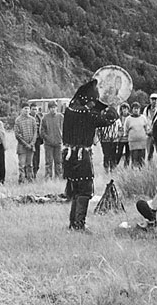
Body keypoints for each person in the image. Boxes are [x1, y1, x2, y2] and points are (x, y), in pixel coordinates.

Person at [62, 79, 118, 231]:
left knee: (75, 189)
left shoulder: (70, 110)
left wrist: (98, 106)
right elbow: (109, 119)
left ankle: (73, 223)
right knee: (85, 190)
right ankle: (79, 225)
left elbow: (93, 113)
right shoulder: (87, 114)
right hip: (82, 155)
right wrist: (112, 105)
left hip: (68, 155)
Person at [15, 103, 38, 183]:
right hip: (22, 147)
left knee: (30, 164)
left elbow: (35, 132)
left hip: (31, 147)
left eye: (28, 109)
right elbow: (17, 135)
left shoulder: (32, 120)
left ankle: (30, 180)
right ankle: (21, 180)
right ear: (21, 109)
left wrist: (32, 143)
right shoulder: (18, 120)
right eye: (25, 108)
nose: (27, 110)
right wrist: (26, 144)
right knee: (21, 165)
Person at [40, 102, 64, 177]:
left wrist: (62, 138)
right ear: (49, 109)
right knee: (49, 162)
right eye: (51, 108)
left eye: (54, 107)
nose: (53, 109)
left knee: (59, 161)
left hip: (58, 143)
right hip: (48, 144)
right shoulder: (45, 117)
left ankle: (58, 176)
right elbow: (42, 131)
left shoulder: (61, 117)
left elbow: (65, 128)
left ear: (57, 108)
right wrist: (47, 138)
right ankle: (48, 176)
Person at [125, 102, 149, 168]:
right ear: (132, 109)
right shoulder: (128, 119)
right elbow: (126, 131)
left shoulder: (143, 118)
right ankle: (134, 173)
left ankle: (142, 173)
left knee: (142, 160)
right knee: (134, 159)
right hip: (133, 143)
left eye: (137, 108)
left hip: (142, 142)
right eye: (135, 108)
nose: (136, 110)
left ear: (139, 109)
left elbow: (146, 128)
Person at [143, 93, 157, 162]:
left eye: (155, 99)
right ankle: (150, 166)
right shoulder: (146, 110)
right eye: (152, 99)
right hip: (149, 134)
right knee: (149, 152)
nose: (154, 101)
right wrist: (147, 131)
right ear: (150, 100)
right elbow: (144, 121)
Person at [115, 103, 131, 168]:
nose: (124, 110)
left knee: (128, 154)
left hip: (128, 138)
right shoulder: (118, 117)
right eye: (123, 109)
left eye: (126, 109)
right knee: (119, 153)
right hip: (121, 139)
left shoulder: (130, 117)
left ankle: (126, 167)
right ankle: (115, 165)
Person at [31, 104, 44, 178]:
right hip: (30, 141)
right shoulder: (28, 118)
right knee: (31, 158)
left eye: (36, 109)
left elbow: (41, 128)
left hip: (37, 140)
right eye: (33, 109)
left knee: (37, 157)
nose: (34, 111)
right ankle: (31, 174)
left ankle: (35, 172)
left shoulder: (39, 118)